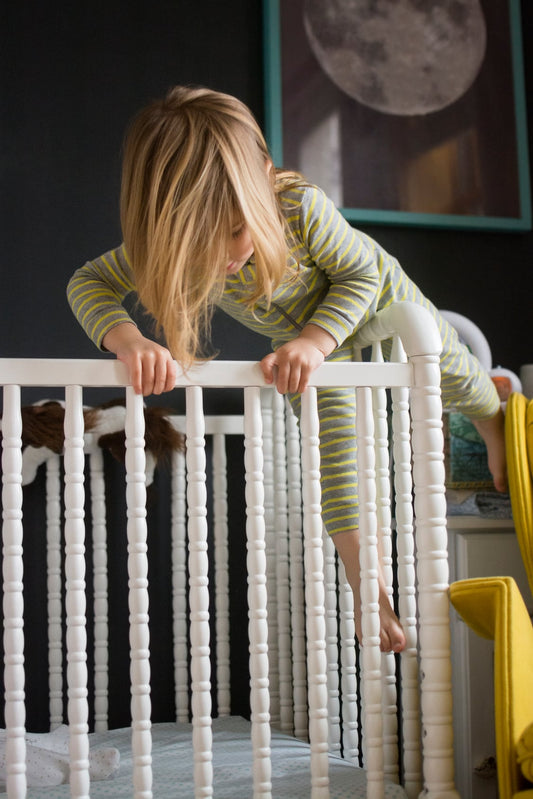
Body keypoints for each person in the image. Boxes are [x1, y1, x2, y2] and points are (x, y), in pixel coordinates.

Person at [67, 85, 507, 653]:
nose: (225, 255)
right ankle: (367, 586)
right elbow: (89, 282)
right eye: (200, 243)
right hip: (301, 346)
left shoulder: (297, 206)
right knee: (334, 459)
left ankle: (490, 414)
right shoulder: (156, 246)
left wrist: (315, 340)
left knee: (448, 359)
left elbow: (360, 275)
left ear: (263, 183)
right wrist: (127, 339)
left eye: (234, 230)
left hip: (372, 301)